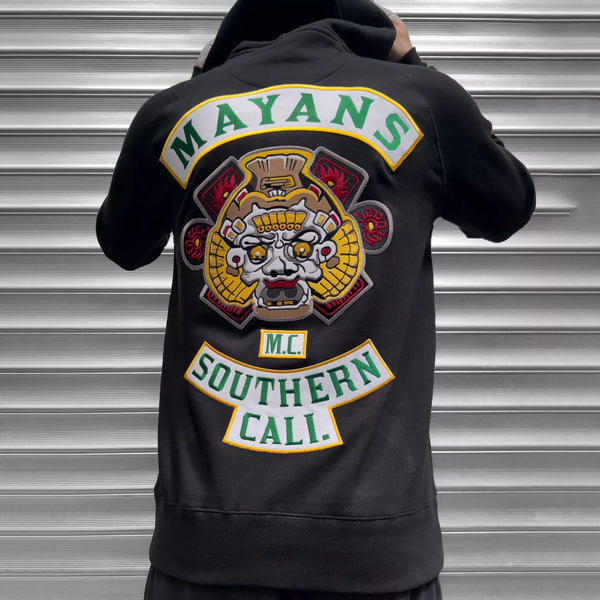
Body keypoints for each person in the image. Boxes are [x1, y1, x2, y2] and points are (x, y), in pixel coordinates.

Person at [96, 1, 536, 598]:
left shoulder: (176, 111)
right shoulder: (424, 101)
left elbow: (123, 242)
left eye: (300, 248)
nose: (280, 266)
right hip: (376, 553)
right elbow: (508, 205)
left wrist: (203, 79)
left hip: (205, 548)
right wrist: (413, 62)